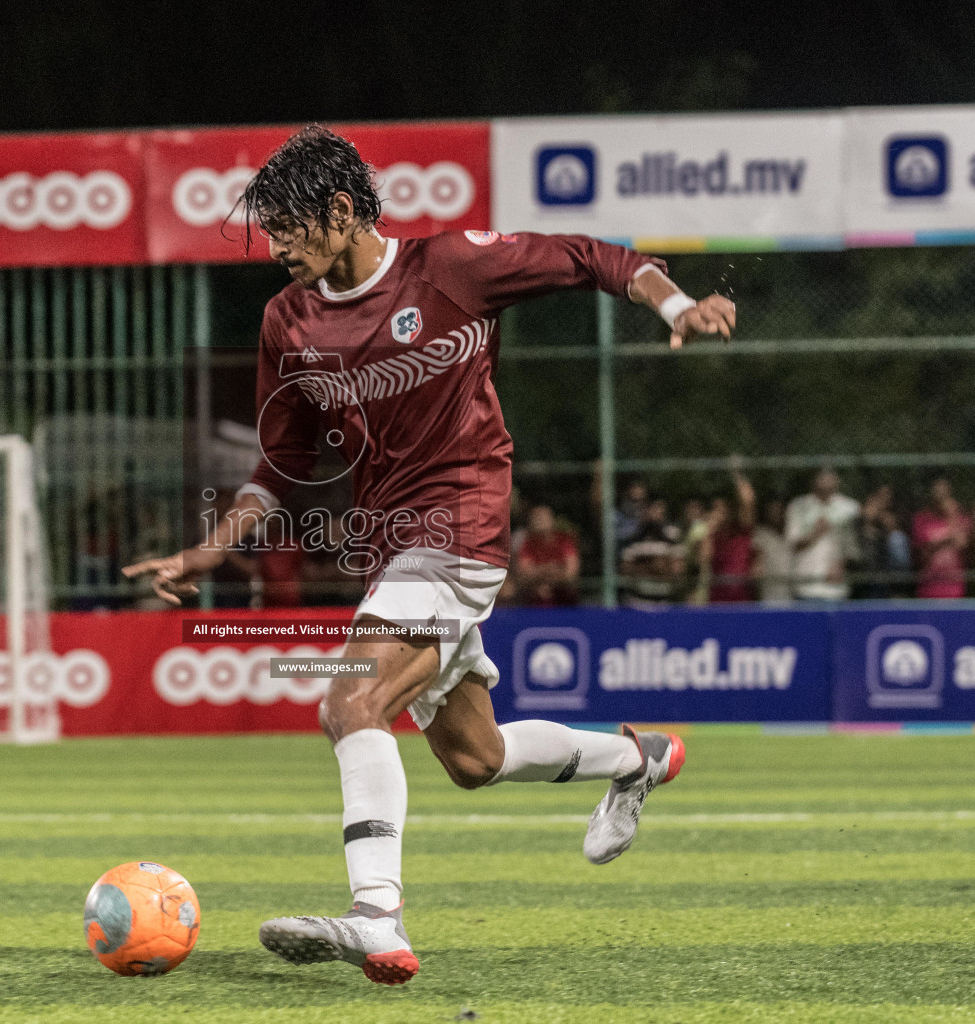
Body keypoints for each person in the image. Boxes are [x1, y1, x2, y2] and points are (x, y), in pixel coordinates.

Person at [122, 126, 732, 984]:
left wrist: (676, 305)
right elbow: (279, 467)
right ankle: (639, 760)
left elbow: (590, 256)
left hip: (459, 525)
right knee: (474, 760)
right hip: (390, 548)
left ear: (341, 210)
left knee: (350, 701)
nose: (278, 247)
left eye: (290, 227)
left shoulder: (449, 268)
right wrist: (208, 552)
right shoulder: (286, 321)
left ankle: (376, 915)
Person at [785, 468, 860, 601]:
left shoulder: (850, 508)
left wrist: (842, 564)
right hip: (805, 587)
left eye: (830, 475)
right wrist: (816, 533)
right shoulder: (799, 506)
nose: (826, 480)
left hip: (836, 589)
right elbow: (792, 544)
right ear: (814, 480)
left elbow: (854, 548)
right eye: (821, 476)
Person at [911, 477, 971, 600]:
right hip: (929, 588)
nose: (940, 495)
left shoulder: (960, 518)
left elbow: (962, 543)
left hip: (954, 589)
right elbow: (923, 552)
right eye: (937, 490)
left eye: (944, 491)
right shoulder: (922, 519)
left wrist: (952, 517)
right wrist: (947, 539)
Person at [510, 505, 579, 606]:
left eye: (543, 517)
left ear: (552, 519)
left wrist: (544, 577)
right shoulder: (527, 544)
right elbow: (524, 573)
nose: (539, 521)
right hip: (533, 598)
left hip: (564, 599)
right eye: (536, 517)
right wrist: (552, 569)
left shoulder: (564, 542)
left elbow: (571, 574)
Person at [706, 471, 757, 603]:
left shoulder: (742, 529)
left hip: (742, 598)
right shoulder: (713, 534)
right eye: (716, 509)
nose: (719, 513)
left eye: (723, 509)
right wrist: (708, 532)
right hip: (717, 599)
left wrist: (736, 472)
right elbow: (703, 558)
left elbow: (748, 500)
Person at [853, 484, 911, 599]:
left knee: (897, 539)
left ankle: (898, 590)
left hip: (884, 577)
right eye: (881, 497)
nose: (885, 501)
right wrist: (866, 521)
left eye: (888, 498)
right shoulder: (858, 519)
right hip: (862, 577)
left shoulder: (892, 524)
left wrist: (888, 528)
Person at [753, 498, 794, 604]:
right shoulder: (760, 533)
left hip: (792, 588)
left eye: (778, 510)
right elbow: (757, 555)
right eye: (771, 510)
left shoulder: (792, 532)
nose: (775, 513)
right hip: (769, 588)